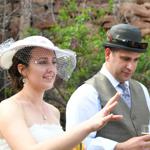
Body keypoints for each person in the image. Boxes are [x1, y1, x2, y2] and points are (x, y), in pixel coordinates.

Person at [0, 35, 123, 150]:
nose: (51, 69)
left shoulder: (53, 111)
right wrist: (88, 126)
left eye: (53, 62)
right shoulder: (9, 108)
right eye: (42, 62)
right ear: (22, 69)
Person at [66, 23, 150, 150]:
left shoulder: (142, 90)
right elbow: (75, 144)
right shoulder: (86, 93)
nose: (131, 67)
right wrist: (118, 147)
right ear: (107, 54)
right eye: (125, 59)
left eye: (135, 60)